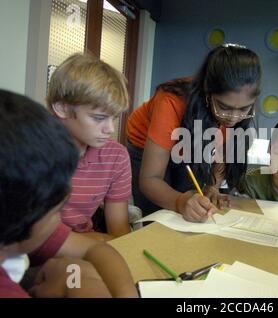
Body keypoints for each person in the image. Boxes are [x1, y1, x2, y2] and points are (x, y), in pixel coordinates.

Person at [0, 89, 137, 297]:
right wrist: (78, 283)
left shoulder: (18, 225)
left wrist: (76, 277)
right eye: (57, 211)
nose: (59, 221)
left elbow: (95, 250)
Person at [126, 44, 262, 222]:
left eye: (244, 109)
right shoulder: (171, 102)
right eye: (224, 107)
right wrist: (180, 201)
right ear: (207, 94)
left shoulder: (236, 108)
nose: (233, 118)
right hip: (145, 145)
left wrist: (213, 187)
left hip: (191, 143)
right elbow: (150, 179)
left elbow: (222, 150)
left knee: (195, 205)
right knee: (158, 215)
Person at [47, 53, 132, 241]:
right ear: (62, 108)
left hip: (86, 244)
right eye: (99, 118)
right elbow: (28, 237)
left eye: (114, 118)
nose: (110, 129)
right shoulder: (30, 152)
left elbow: (119, 232)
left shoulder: (116, 156)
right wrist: (97, 242)